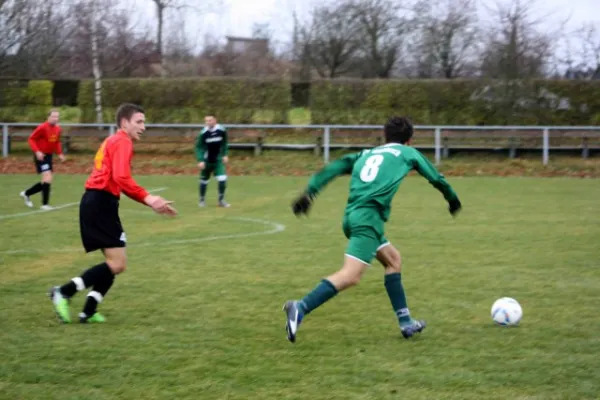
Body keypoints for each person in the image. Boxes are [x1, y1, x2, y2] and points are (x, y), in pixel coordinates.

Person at [283, 116, 462, 342]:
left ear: (384, 136)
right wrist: (453, 200)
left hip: (353, 217)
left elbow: (335, 167)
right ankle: (300, 307)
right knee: (351, 276)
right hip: (368, 219)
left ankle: (406, 322)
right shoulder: (408, 153)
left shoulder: (366, 154)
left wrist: (311, 191)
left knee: (393, 260)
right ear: (409, 140)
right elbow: (437, 178)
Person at [48, 103, 177, 324]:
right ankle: (64, 291)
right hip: (100, 203)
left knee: (116, 261)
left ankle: (88, 310)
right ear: (124, 123)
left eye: (144, 122)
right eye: (139, 122)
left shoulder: (114, 140)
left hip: (99, 202)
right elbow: (121, 178)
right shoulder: (122, 141)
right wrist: (149, 198)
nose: (143, 127)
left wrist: (148, 200)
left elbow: (118, 179)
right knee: (117, 263)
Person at [20, 110, 66, 210]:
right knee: (47, 177)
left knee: (47, 180)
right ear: (48, 117)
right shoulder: (42, 127)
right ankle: (45, 205)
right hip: (40, 156)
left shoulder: (58, 129)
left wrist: (59, 153)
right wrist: (37, 151)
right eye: (53, 117)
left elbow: (57, 142)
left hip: (49, 156)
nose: (55, 119)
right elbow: (31, 139)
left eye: (57, 117)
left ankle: (27, 193)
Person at [195, 115, 230, 207]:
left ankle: (221, 200)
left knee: (222, 179)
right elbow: (199, 147)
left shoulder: (222, 130)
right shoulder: (203, 133)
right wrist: (200, 160)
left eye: (210, 120)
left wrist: (225, 154)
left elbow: (224, 143)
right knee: (204, 180)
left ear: (215, 120)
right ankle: (202, 200)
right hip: (206, 160)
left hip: (218, 160)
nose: (208, 123)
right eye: (206, 121)